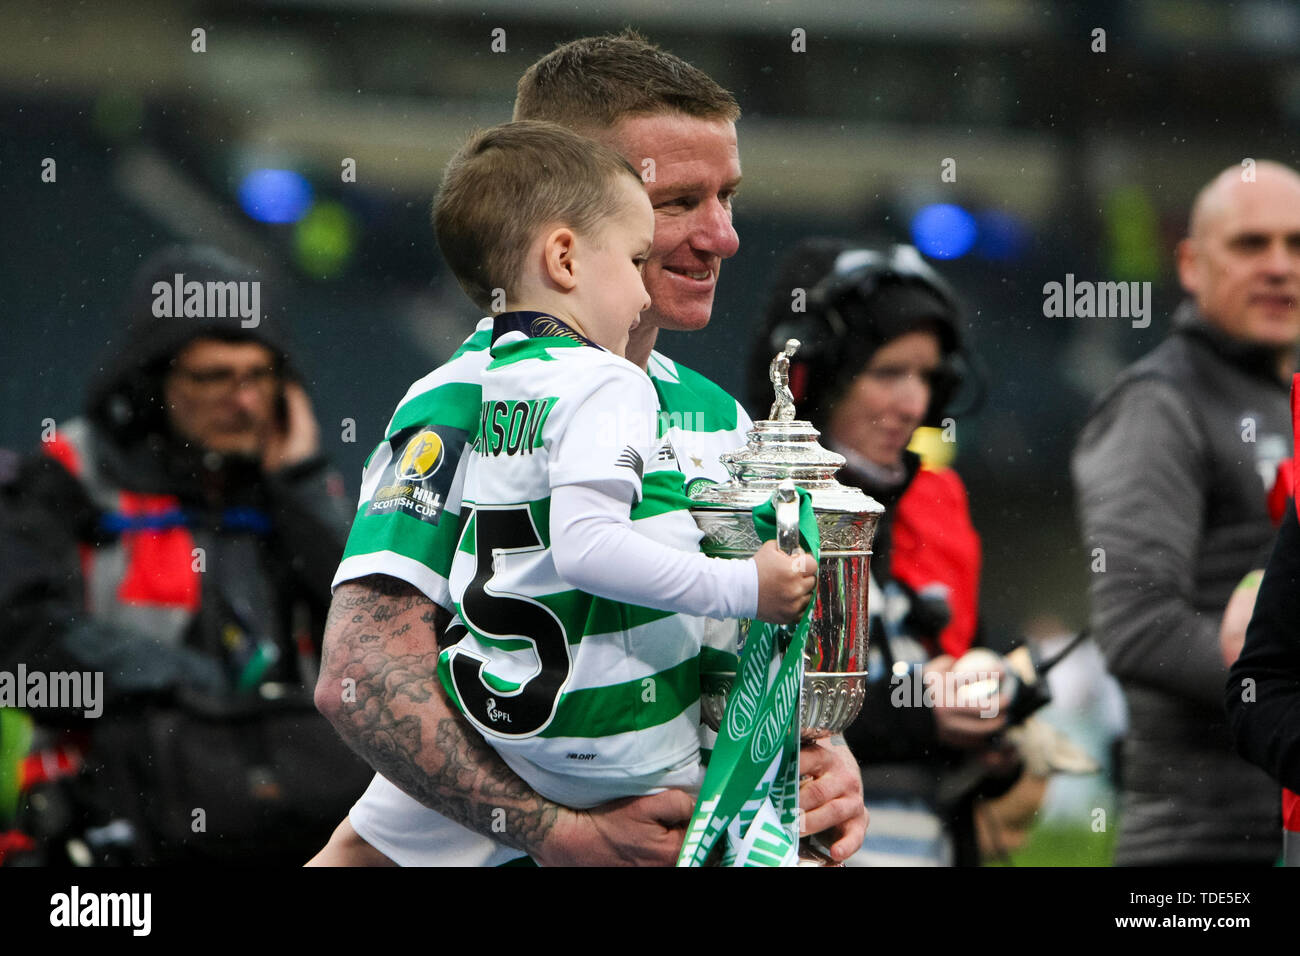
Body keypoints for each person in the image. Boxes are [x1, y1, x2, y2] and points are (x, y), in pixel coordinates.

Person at [311, 31, 865, 866]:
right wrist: (555, 834)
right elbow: (361, 675)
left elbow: (751, 661)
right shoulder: (466, 402)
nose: (723, 237)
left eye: (729, 198)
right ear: (566, 213)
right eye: (679, 202)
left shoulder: (720, 417)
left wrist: (817, 765)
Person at [0, 245, 371, 865]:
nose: (245, 401)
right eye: (214, 377)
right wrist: (184, 684)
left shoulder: (294, 489)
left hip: (285, 828)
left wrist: (304, 491)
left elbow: (373, 629)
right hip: (106, 834)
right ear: (153, 379)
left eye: (259, 376)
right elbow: (22, 636)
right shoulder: (66, 478)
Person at [748, 239, 1022, 866]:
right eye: (888, 373)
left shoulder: (937, 502)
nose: (915, 404)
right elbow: (753, 702)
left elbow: (966, 649)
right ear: (810, 376)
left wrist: (994, 721)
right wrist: (925, 717)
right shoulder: (759, 507)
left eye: (928, 377)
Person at [1073, 160, 1300, 866]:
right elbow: (1138, 627)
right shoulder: (1159, 403)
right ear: (1191, 264)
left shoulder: (1285, 398)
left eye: (1297, 245)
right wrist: (1278, 687)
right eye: (1250, 244)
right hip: (1198, 845)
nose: (1279, 267)